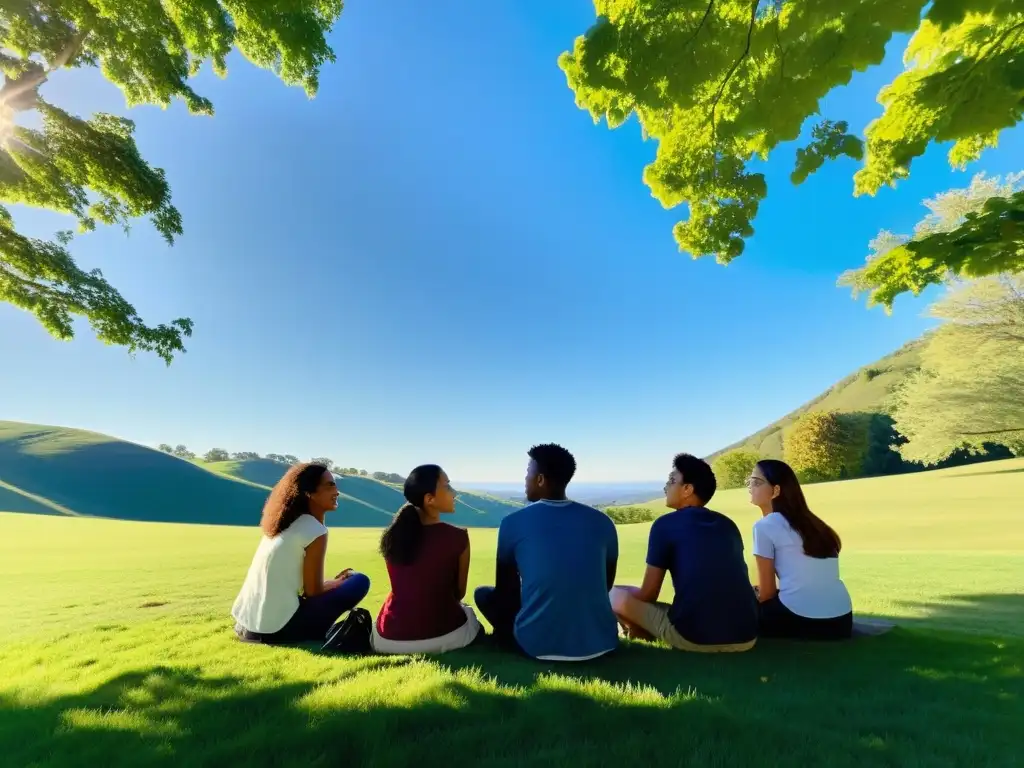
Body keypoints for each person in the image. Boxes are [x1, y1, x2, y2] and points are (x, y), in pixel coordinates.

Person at [474, 443, 619, 661]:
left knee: (482, 594)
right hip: (603, 643)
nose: (525, 479)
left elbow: (506, 592)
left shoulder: (512, 523)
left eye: (527, 473)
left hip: (537, 646)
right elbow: (606, 584)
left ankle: (505, 640)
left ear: (540, 479)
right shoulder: (603, 521)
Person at [610, 453, 757, 652]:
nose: (666, 487)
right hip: (747, 636)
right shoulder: (727, 525)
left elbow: (648, 594)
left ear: (688, 489)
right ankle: (640, 635)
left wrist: (622, 590)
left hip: (695, 638)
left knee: (613, 595)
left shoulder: (665, 525)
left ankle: (639, 637)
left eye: (672, 481)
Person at [232, 463, 370, 644]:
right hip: (277, 631)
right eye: (329, 486)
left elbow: (305, 587)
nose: (337, 492)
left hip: (245, 628)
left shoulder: (281, 525)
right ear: (309, 493)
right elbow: (312, 591)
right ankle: (317, 631)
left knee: (342, 582)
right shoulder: (314, 530)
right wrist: (338, 582)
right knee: (359, 581)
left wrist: (331, 583)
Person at [372, 465, 481, 654]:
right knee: (469, 612)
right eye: (447, 487)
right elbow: (458, 594)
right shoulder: (459, 537)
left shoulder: (393, 536)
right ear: (429, 499)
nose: (454, 493)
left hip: (389, 641)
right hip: (446, 637)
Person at [748, 459, 853, 640]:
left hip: (803, 620)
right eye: (749, 482)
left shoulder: (764, 526)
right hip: (841, 620)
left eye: (756, 482)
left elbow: (766, 593)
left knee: (734, 606)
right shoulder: (815, 524)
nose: (750, 487)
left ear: (776, 491)